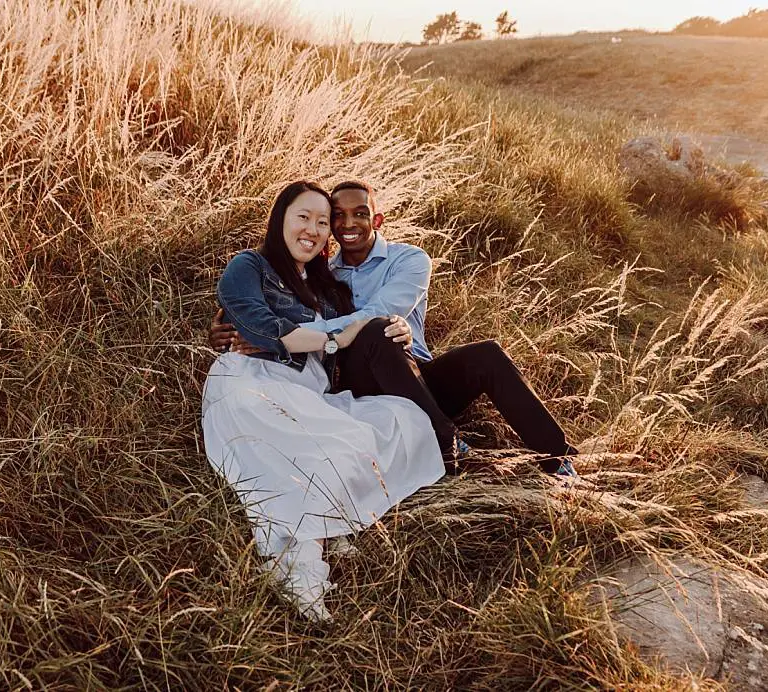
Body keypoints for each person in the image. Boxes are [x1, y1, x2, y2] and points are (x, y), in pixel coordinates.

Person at [211, 180, 581, 476]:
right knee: (376, 330)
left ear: (377, 220)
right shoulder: (326, 275)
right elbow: (271, 310)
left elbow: (381, 311)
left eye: (360, 214)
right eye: (338, 217)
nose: (348, 224)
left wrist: (320, 334)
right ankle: (448, 445)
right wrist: (243, 330)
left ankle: (559, 459)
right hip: (365, 380)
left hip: (416, 376)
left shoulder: (409, 260)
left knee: (487, 355)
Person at [202, 180, 445, 620]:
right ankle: (304, 566)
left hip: (309, 392)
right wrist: (332, 340)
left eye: (321, 222)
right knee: (308, 459)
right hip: (252, 381)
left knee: (397, 421)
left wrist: (397, 328)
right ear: (280, 220)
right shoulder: (249, 266)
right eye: (303, 218)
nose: (312, 230)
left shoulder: (328, 288)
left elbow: (362, 331)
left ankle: (328, 525)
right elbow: (262, 328)